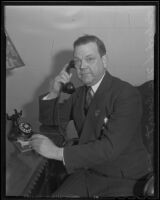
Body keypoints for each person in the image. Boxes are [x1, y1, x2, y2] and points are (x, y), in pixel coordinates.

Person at [30, 35, 150, 197]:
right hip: (89, 173)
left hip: (124, 179)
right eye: (77, 61)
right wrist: (53, 92)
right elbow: (51, 122)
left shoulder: (126, 94)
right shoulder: (78, 94)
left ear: (104, 60)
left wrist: (56, 152)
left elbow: (109, 148)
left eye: (89, 59)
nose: (82, 66)